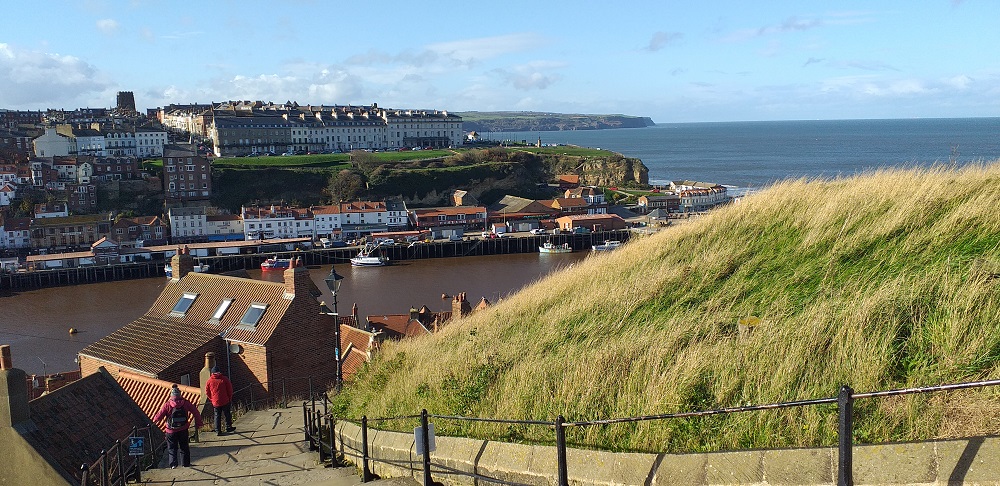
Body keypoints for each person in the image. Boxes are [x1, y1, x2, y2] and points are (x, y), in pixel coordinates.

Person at [153, 384, 204, 469]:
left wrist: (154, 421)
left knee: (172, 448)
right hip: (183, 428)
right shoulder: (186, 403)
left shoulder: (168, 404)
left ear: (171, 395)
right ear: (180, 394)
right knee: (184, 446)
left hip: (171, 430)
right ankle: (185, 463)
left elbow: (159, 416)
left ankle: (173, 464)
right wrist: (199, 423)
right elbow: (195, 412)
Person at [205, 366, 235, 435]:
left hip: (215, 401)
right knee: (227, 414)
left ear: (212, 373)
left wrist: (212, 399)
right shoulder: (224, 379)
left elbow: (207, 392)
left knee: (217, 415)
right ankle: (228, 427)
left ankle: (218, 430)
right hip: (225, 400)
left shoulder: (209, 381)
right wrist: (229, 398)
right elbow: (230, 390)